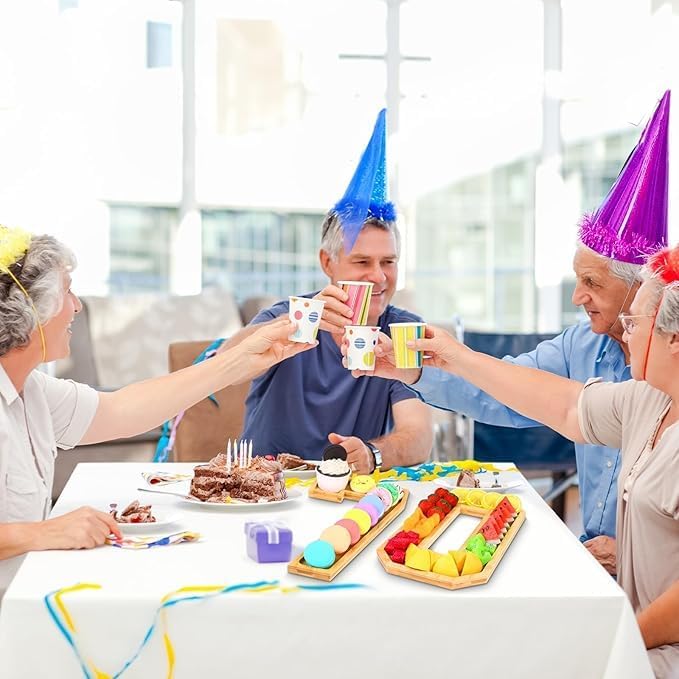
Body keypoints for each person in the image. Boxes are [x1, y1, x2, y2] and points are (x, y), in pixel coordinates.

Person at [348, 90, 671, 575]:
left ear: (642, 292)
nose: (577, 297)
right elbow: (502, 390)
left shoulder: (667, 377)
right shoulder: (580, 346)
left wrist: (632, 554)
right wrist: (414, 369)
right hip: (591, 560)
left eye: (592, 284)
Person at [397, 244, 679, 678]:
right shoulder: (646, 400)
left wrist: (618, 638)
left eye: (634, 322)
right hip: (626, 616)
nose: (626, 334)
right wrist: (453, 357)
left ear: (672, 337)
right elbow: (563, 405)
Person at [0, 225, 315, 595]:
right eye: (68, 291)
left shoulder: (34, 392)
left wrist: (237, 361)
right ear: (32, 310)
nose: (77, 305)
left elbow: (123, 410)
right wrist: (41, 532)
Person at [223, 110, 432, 470]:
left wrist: (372, 453)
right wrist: (300, 322)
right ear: (327, 262)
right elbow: (223, 369)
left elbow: (419, 435)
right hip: (268, 484)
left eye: (388, 262)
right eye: (362, 262)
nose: (379, 277)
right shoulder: (285, 316)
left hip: (350, 489)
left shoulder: (401, 330)